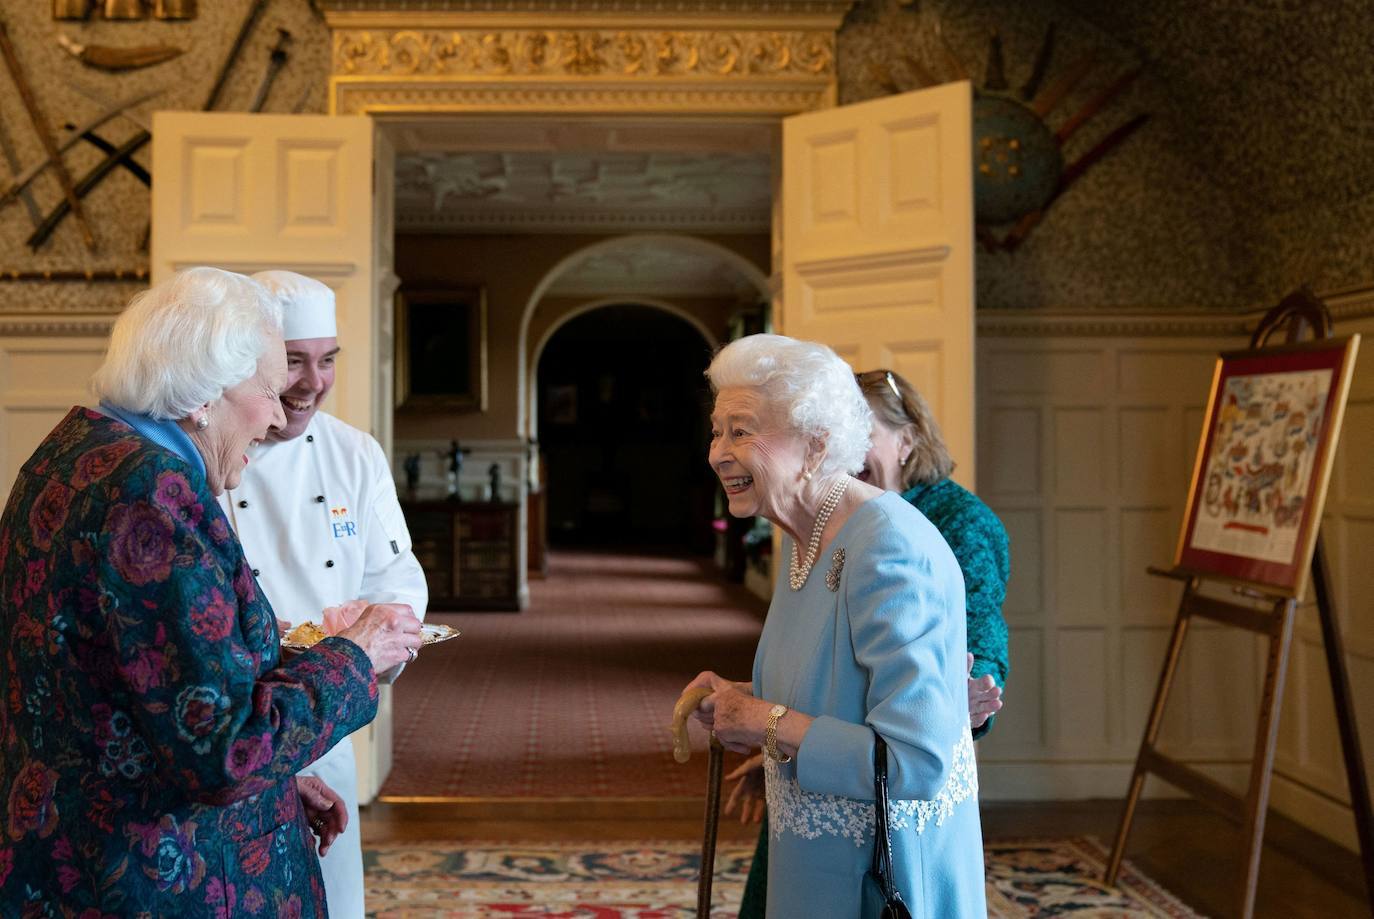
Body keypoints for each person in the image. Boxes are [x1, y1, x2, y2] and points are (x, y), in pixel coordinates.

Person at [0, 267, 423, 915]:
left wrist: (273, 792)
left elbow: (138, 699)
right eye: (269, 389)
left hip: (74, 848)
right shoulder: (153, 499)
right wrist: (356, 654)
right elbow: (227, 752)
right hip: (149, 877)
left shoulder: (74, 449)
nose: (278, 415)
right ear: (203, 397)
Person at [682, 333, 985, 918]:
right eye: (717, 432)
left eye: (741, 431)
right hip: (818, 869)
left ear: (816, 445)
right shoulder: (806, 537)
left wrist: (763, 719)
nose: (718, 453)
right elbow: (835, 690)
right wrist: (736, 702)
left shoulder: (887, 547)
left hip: (884, 879)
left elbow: (914, 763)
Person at [218, 270, 429, 918]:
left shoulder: (354, 453)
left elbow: (396, 572)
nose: (313, 381)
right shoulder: (212, 454)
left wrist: (383, 628)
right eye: (293, 361)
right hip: (233, 725)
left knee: (331, 896)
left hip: (323, 721)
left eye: (328, 359)